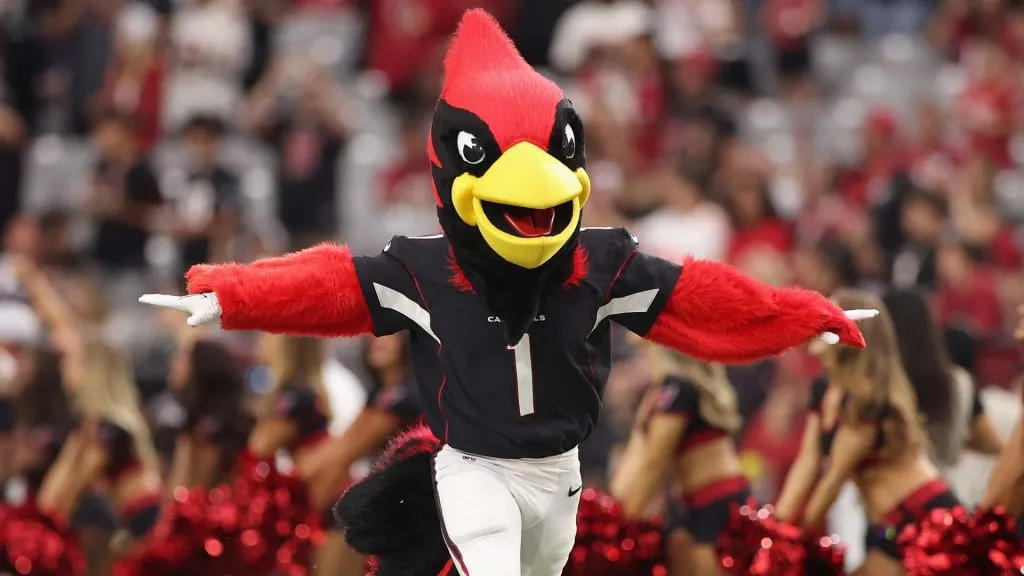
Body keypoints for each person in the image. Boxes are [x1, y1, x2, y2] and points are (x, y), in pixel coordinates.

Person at [141, 10, 871, 576]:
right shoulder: (422, 270)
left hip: (562, 474)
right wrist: (233, 295)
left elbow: (700, 299)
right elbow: (330, 283)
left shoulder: (601, 262)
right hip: (476, 467)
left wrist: (803, 316)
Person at [774, 289, 960, 576]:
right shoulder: (824, 388)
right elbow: (807, 463)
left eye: (828, 314)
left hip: (925, 518)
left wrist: (786, 545)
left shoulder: (866, 401)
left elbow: (834, 479)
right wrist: (776, 525)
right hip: (888, 525)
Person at [14, 257, 163, 560]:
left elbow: (68, 487)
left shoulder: (105, 429)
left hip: (147, 531)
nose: (65, 368)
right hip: (142, 526)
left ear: (91, 372)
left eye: (73, 362)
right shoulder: (102, 424)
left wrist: (30, 530)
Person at [610, 343, 746, 576]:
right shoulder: (665, 388)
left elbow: (654, 464)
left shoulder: (677, 387)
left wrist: (618, 529)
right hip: (692, 505)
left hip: (716, 508)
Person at [245, 333, 357, 575]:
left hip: (332, 504)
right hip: (327, 503)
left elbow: (256, 449)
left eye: (267, 335)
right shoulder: (296, 392)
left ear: (287, 343)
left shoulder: (297, 396)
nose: (260, 341)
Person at [882, 288, 1003, 476]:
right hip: (940, 491)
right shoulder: (960, 383)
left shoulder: (880, 386)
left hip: (887, 495)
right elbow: (993, 444)